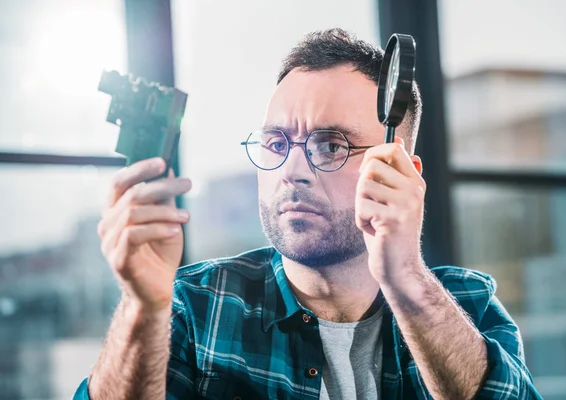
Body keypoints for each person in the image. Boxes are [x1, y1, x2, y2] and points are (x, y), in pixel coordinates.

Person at [74, 28, 542, 399]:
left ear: (402, 173)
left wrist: (407, 279)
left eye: (331, 145)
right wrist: (142, 308)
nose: (291, 170)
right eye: (277, 144)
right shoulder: (196, 309)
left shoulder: (467, 305)